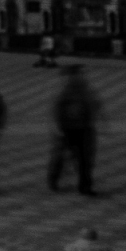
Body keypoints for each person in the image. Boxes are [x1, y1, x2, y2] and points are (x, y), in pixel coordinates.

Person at [47, 65, 100, 196]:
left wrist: (96, 121)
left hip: (84, 128)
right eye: (76, 75)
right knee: (59, 157)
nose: (79, 77)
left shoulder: (85, 89)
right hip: (66, 129)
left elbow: (94, 105)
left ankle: (85, 186)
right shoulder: (63, 91)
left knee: (85, 159)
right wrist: (57, 127)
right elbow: (55, 109)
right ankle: (53, 179)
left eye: (80, 75)